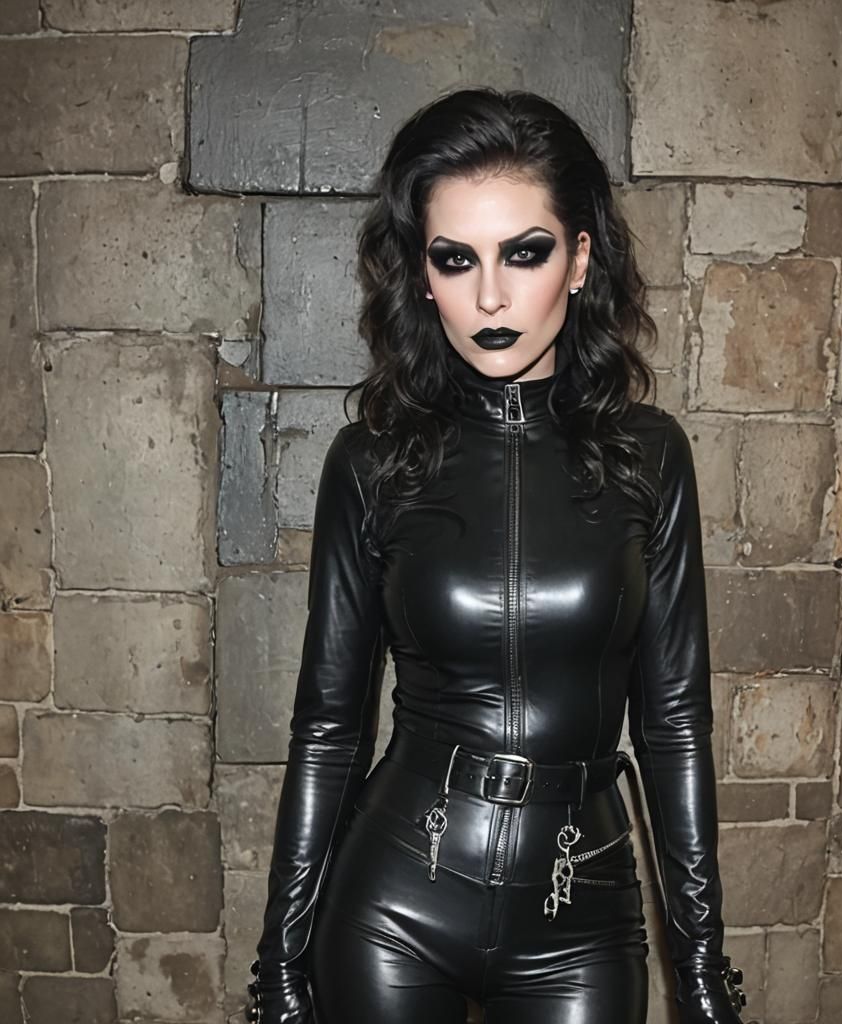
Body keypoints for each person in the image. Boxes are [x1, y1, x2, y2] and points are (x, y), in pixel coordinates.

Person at [246, 86, 747, 1024]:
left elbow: (675, 727)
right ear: (420, 274)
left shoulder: (650, 456)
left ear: (581, 259)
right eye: (455, 258)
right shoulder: (371, 462)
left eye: (525, 253)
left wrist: (703, 970)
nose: (489, 297)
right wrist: (278, 968)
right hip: (395, 901)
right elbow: (329, 730)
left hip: (580, 909)